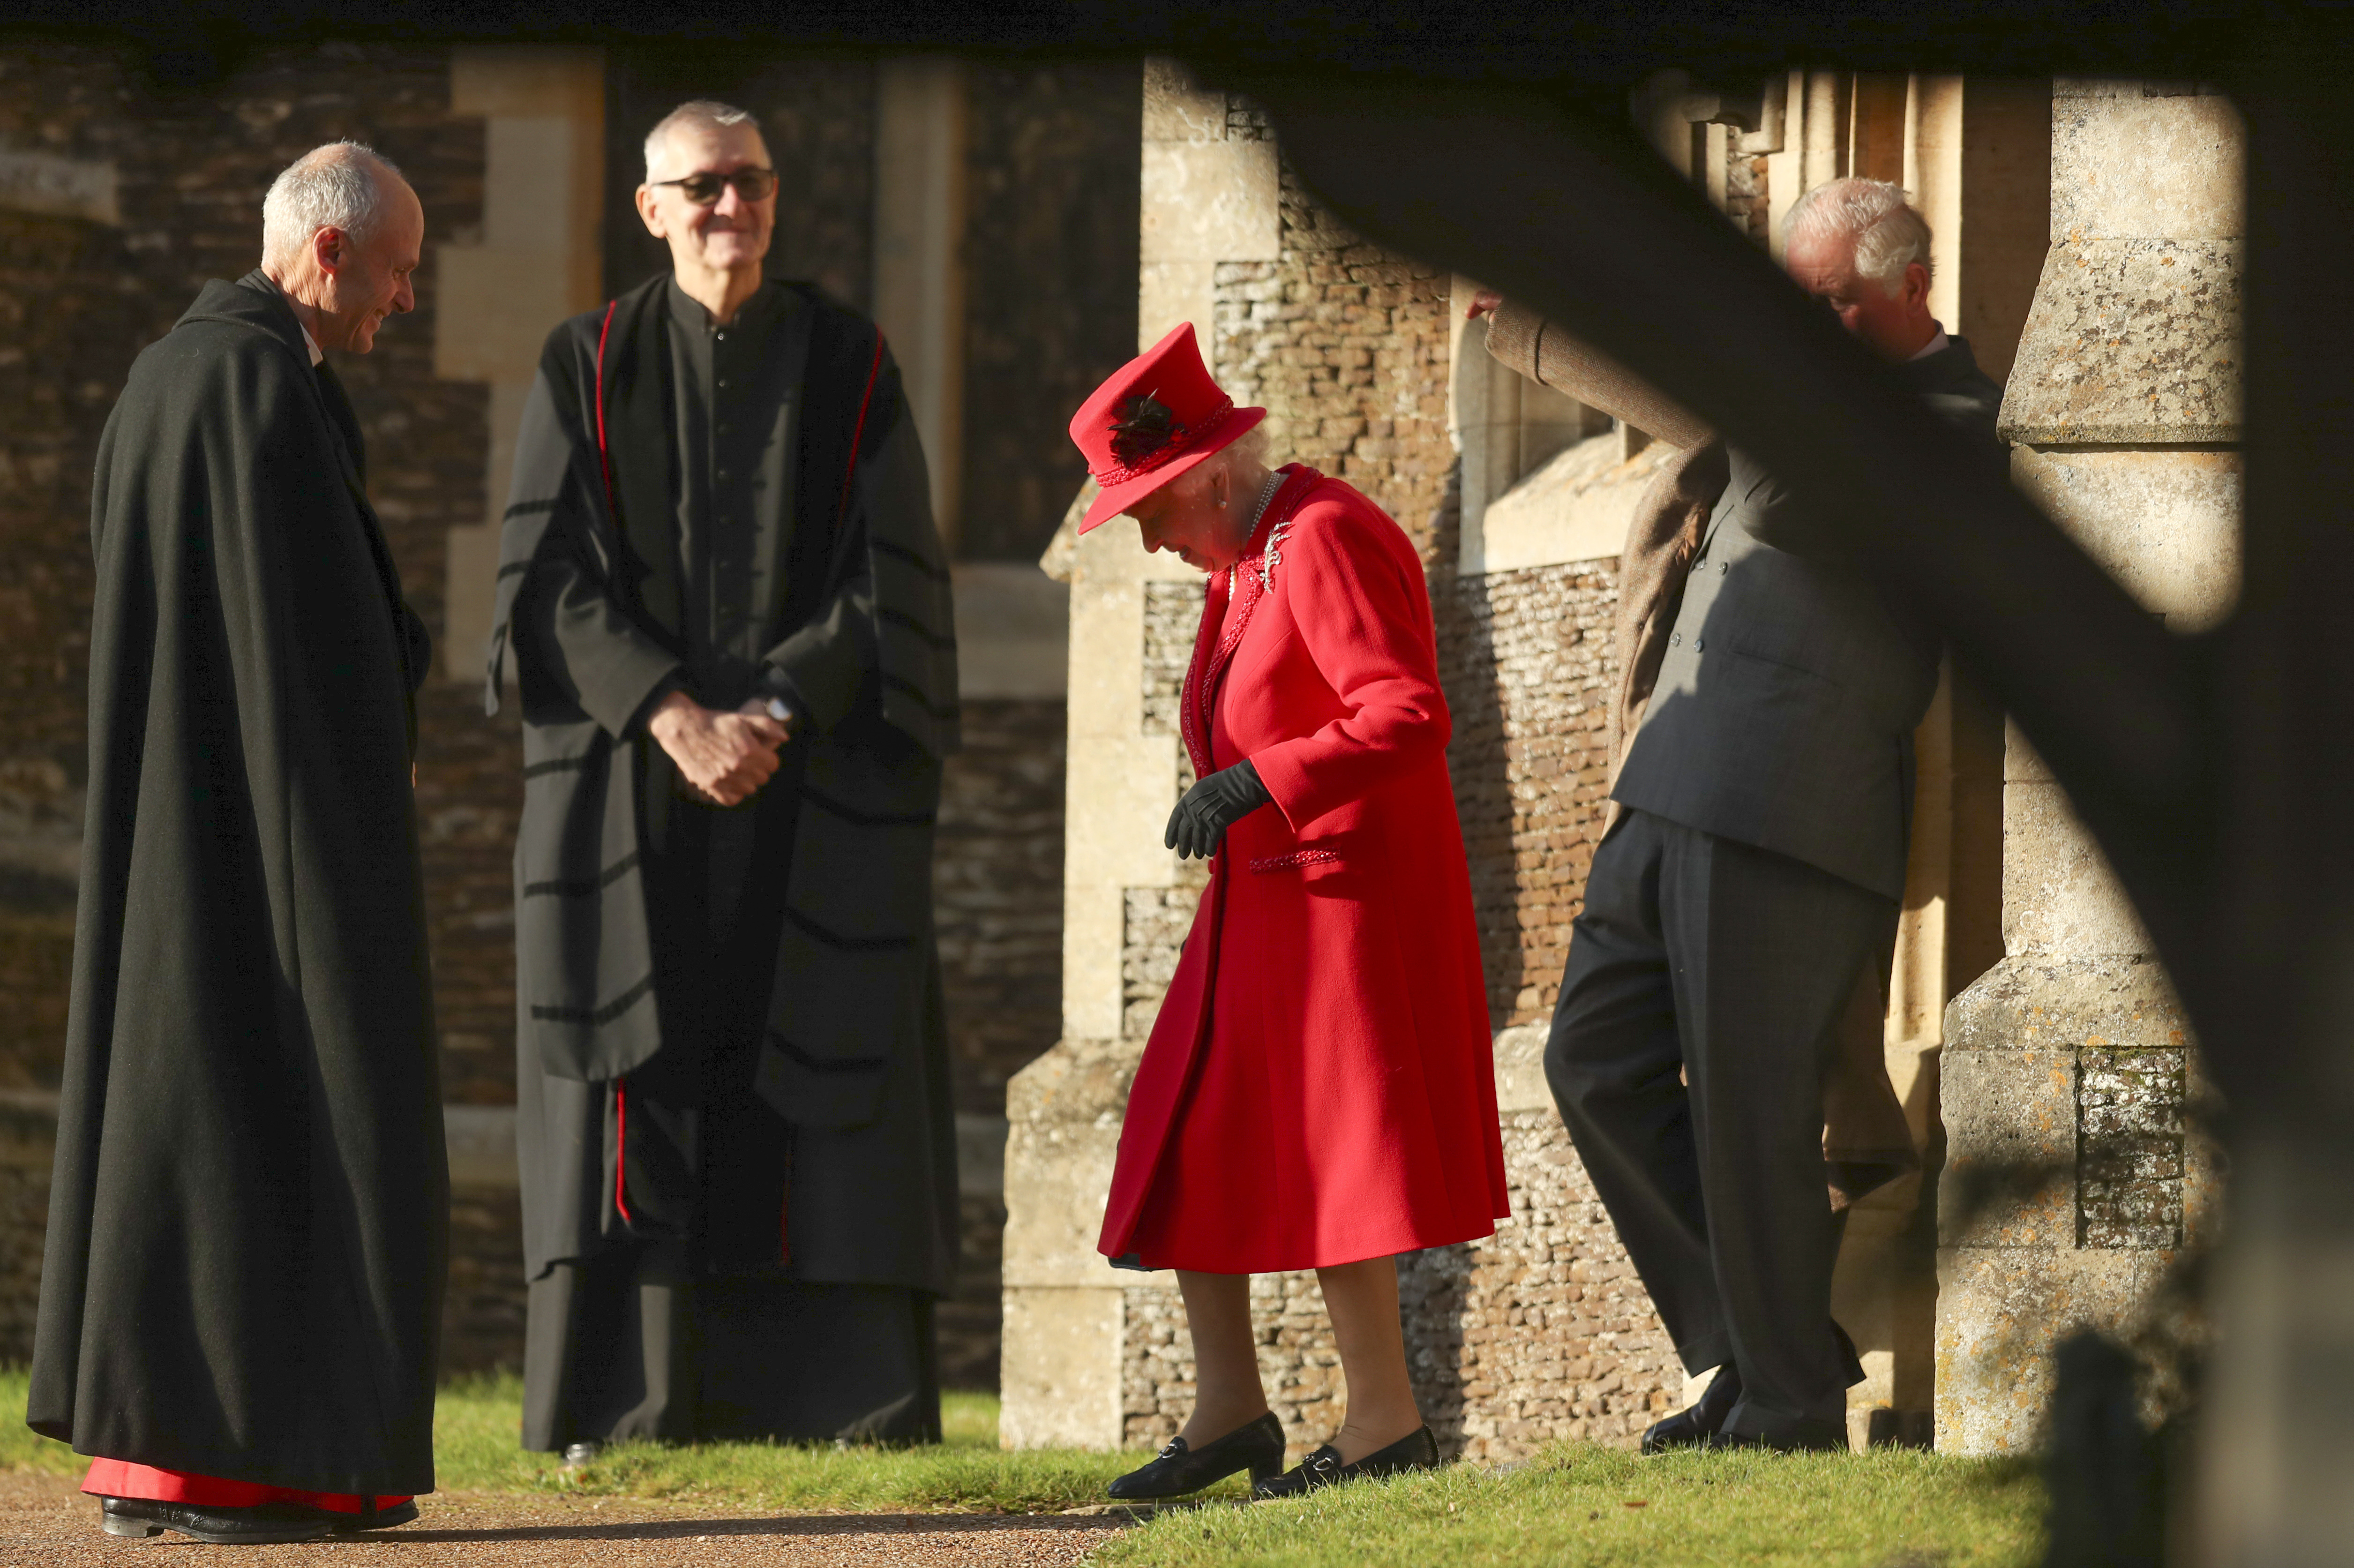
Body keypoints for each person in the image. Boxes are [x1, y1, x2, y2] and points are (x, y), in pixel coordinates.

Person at [1477, 178, 2002, 1453]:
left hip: (1790, 804)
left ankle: (1785, 1405)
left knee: (1751, 1102)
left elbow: (1771, 500)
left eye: (1812, 304)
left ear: (1887, 294)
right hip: (1669, 778)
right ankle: (1755, 1339)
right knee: (1587, 1063)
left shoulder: (1949, 417)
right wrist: (1540, 328)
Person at [486, 99, 960, 1459]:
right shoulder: (582, 362)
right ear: (650, 207)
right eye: (699, 188)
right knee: (647, 1056)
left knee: (807, 1049)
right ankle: (625, 1407)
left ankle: (836, 1404)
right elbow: (548, 582)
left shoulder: (851, 362)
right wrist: (669, 713)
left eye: (749, 183)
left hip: (803, 793)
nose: (727, 210)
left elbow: (894, 578)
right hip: (639, 792)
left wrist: (774, 706)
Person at [26, 143, 443, 1544]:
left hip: (168, 832)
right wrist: (408, 658)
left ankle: (148, 1466)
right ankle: (256, 1467)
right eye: (393, 277)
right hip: (272, 847)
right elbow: (323, 656)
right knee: (282, 1115)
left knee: (167, 1118)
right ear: (325, 254)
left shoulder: (159, 382)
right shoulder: (267, 395)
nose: (402, 306)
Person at [1074, 323, 1509, 1500]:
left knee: (1342, 1169)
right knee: (1176, 1141)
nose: (1152, 539)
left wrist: (1258, 780)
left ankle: (1385, 1424)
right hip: (1261, 908)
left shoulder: (1325, 535)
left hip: (1338, 908)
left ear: (1210, 472)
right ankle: (1231, 1411)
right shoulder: (1243, 557)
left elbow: (1408, 712)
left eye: (1154, 509)